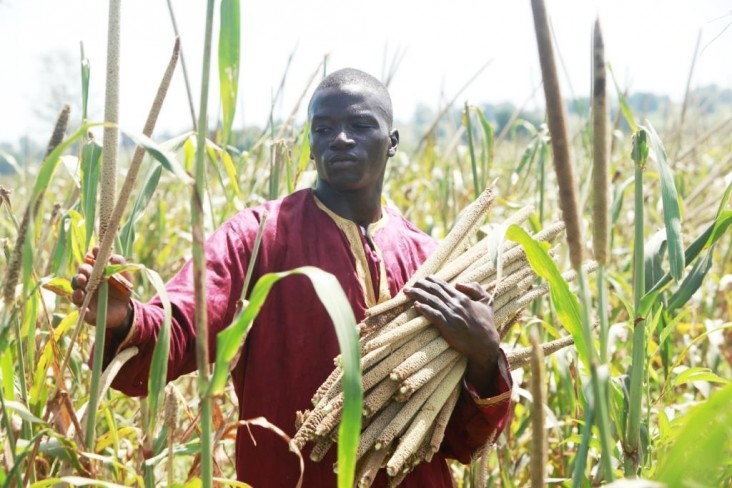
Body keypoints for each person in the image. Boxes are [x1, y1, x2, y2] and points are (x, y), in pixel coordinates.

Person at [72, 68, 513, 487]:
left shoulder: (434, 262)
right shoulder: (259, 236)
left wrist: (484, 355)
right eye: (323, 129)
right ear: (310, 145)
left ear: (392, 141)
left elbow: (461, 440)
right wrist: (126, 318)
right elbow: (185, 322)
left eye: (360, 125)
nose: (340, 139)